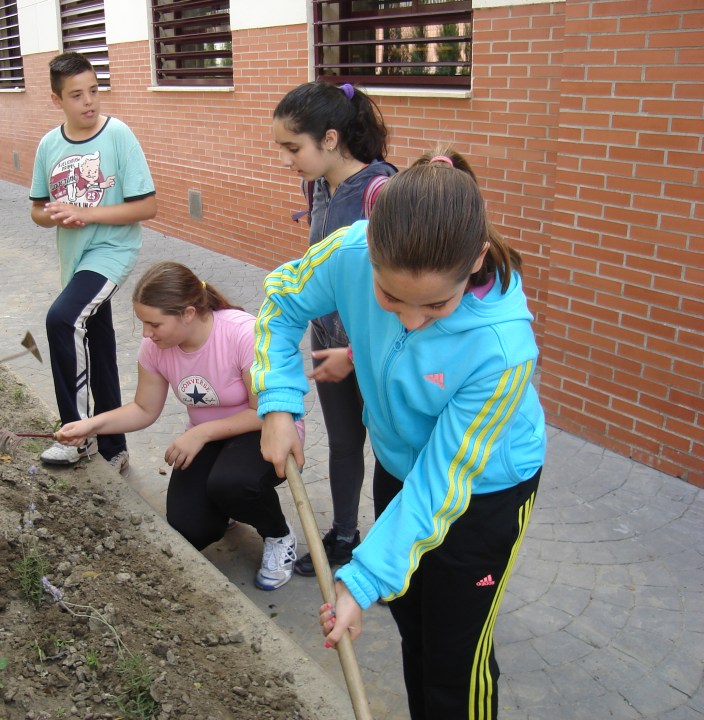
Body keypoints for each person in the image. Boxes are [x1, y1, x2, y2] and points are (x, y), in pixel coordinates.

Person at [252, 149, 546, 718]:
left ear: (476, 259)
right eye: (390, 298)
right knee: (414, 626)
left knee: (455, 662)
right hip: (397, 467)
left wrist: (358, 583)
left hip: (479, 493)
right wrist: (279, 404)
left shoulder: (503, 349)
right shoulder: (351, 251)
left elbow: (442, 484)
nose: (410, 318)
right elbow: (282, 303)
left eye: (436, 305)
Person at [55, 261, 301, 590]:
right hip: (210, 439)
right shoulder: (157, 348)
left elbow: (263, 411)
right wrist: (91, 425)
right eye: (143, 323)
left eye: (154, 324)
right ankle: (229, 508)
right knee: (189, 528)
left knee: (233, 482)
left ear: (187, 313)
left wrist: (199, 433)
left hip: (264, 431)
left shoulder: (242, 333)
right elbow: (144, 409)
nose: (146, 333)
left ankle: (278, 534)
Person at [272, 80, 397, 576]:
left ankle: (391, 555)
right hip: (327, 340)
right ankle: (345, 535)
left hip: (377, 347)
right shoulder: (317, 184)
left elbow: (398, 284)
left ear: (329, 138)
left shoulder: (380, 192)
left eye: (292, 148)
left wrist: (365, 348)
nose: (287, 161)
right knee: (344, 443)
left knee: (390, 449)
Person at [30, 51, 157, 475]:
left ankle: (75, 433)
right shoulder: (49, 145)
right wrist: (56, 212)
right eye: (76, 95)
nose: (89, 102)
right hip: (74, 259)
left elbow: (147, 206)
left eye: (94, 91)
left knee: (63, 320)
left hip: (111, 252)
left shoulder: (118, 134)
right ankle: (114, 447)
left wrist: (87, 213)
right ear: (56, 100)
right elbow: (36, 210)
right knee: (97, 347)